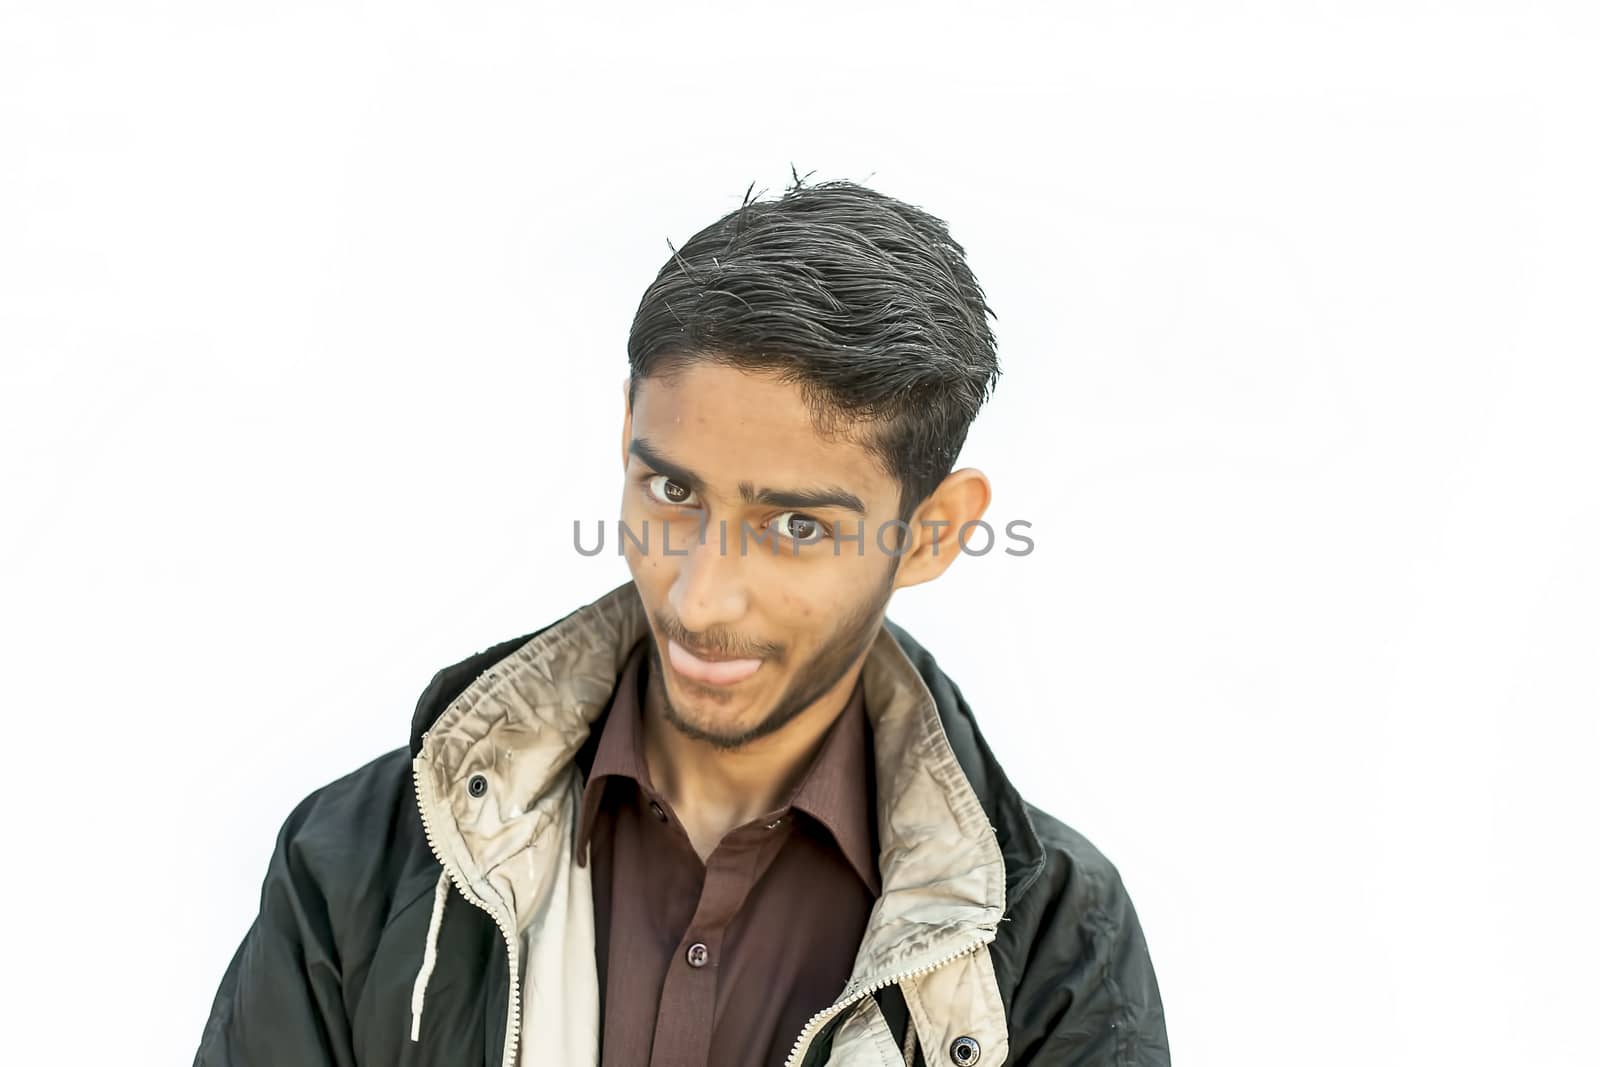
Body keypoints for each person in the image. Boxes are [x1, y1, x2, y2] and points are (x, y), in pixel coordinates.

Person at [194, 174, 1170, 1067]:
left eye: (794, 524)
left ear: (930, 533)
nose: (699, 596)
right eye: (670, 487)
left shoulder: (1054, 942)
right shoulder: (362, 863)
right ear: (626, 433)